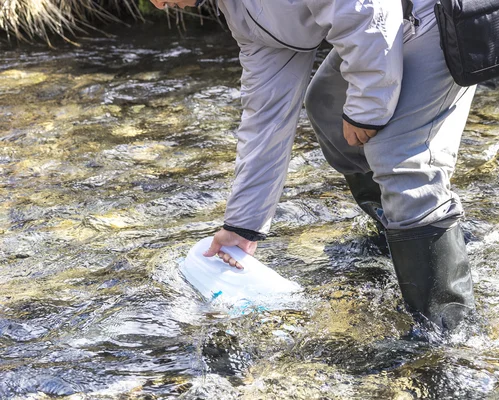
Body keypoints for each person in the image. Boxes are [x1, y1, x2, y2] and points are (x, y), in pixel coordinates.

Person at [150, 0, 476, 330]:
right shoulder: (242, 12)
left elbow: (367, 11)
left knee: (400, 159)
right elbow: (266, 117)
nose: (159, 5)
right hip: (393, 21)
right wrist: (242, 226)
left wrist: (368, 109)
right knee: (327, 105)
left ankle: (449, 335)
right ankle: (400, 241)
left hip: (438, 15)